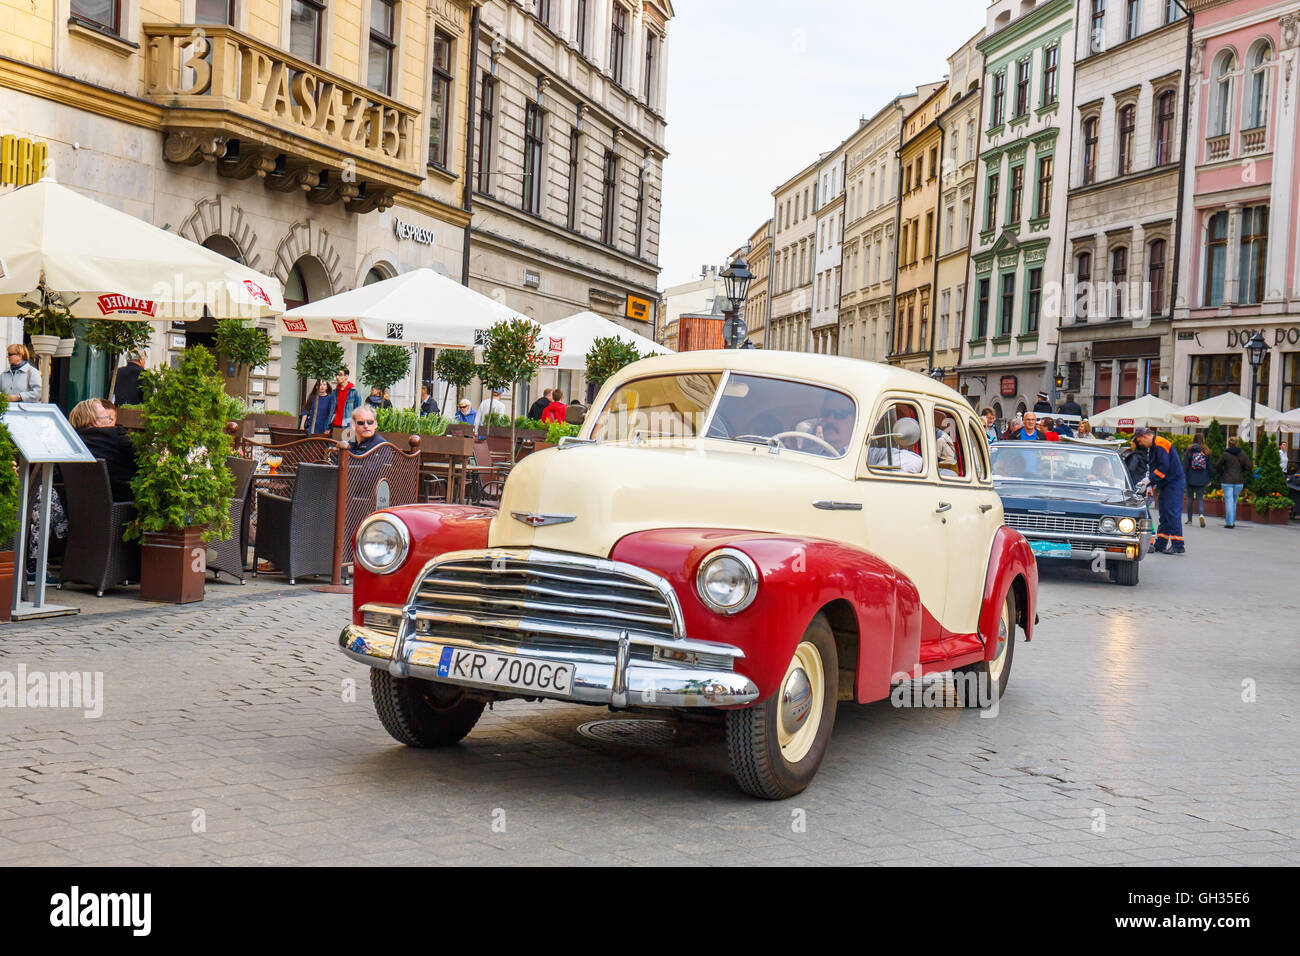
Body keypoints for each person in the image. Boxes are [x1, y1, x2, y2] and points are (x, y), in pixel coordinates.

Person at [68, 399, 137, 501]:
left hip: (79, 507)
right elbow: (142, 462)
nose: (110, 421)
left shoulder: (71, 444)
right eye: (107, 417)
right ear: (94, 422)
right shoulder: (115, 436)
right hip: (122, 505)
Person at [1135, 426, 1185, 554]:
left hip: (1173, 482)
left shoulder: (1160, 444)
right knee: (1164, 513)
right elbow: (1155, 467)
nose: (1140, 444)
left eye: (1140, 441)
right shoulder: (1155, 446)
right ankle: (1161, 543)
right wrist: (1151, 482)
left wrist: (1150, 480)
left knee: (1172, 512)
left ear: (1145, 436)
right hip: (1168, 483)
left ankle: (1178, 544)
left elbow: (1163, 467)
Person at [1217, 436, 1251, 529]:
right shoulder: (1242, 454)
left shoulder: (1225, 454)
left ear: (1229, 443)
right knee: (1234, 502)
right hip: (1239, 481)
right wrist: (1241, 470)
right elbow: (1249, 466)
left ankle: (1229, 523)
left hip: (1227, 480)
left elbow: (1218, 465)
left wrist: (1223, 473)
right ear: (1237, 443)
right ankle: (1232, 521)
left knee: (1229, 501)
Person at [1184, 439, 1211, 527]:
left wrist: (1183, 479)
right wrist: (1209, 479)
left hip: (1190, 478)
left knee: (1190, 499)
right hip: (1202, 478)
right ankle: (1201, 515)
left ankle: (1189, 520)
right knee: (1200, 499)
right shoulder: (1206, 452)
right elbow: (1210, 467)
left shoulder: (1189, 451)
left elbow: (1184, 466)